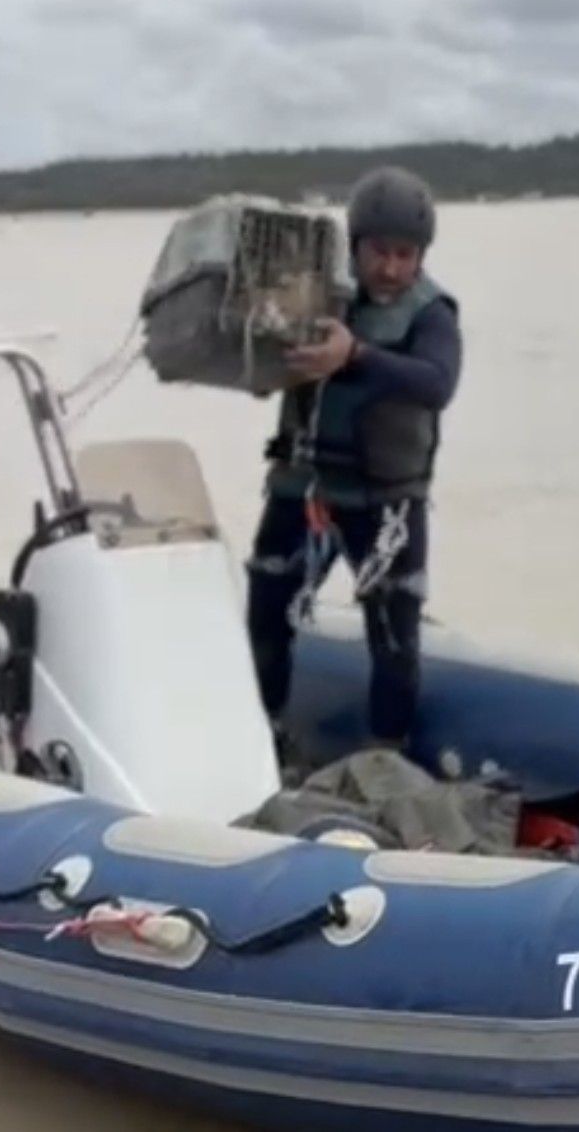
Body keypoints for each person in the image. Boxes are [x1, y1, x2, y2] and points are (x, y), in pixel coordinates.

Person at [245, 165, 462, 753]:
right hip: (301, 490)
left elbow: (438, 383)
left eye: (404, 255)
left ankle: (385, 760)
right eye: (378, 253)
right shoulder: (315, 295)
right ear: (355, 245)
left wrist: (356, 354)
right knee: (265, 620)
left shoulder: (431, 313)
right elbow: (262, 362)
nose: (391, 268)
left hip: (385, 504)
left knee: (393, 642)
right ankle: (266, 740)